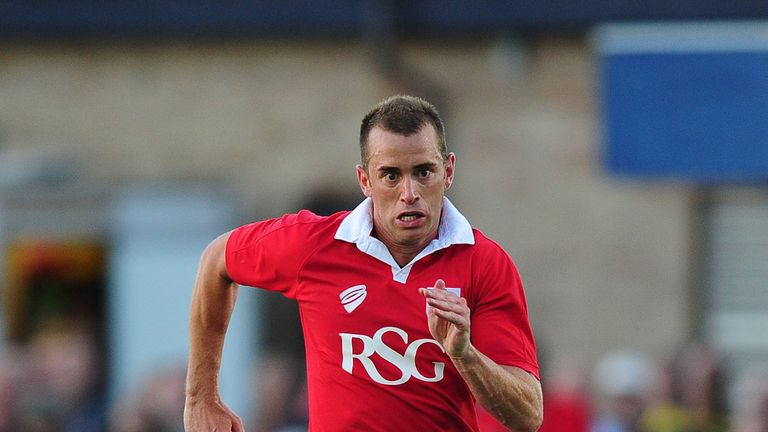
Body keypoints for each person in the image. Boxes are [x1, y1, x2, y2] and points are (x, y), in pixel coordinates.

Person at [183, 95, 543, 432]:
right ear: (365, 180)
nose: (409, 193)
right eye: (391, 175)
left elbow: (528, 416)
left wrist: (464, 355)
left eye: (423, 172)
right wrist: (202, 397)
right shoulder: (314, 246)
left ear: (448, 172)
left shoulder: (484, 263)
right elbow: (218, 261)